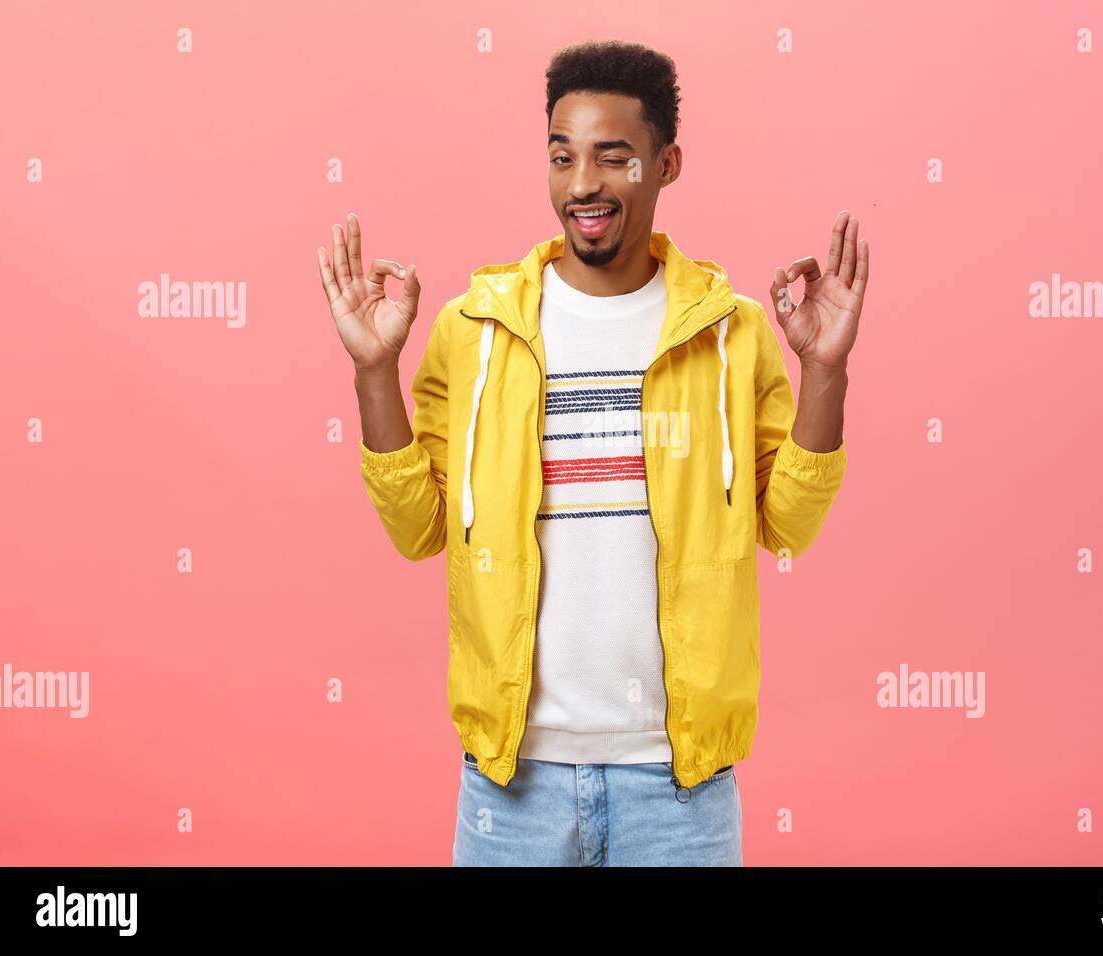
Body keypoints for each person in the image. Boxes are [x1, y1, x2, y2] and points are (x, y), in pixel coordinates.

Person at [316, 39, 869, 866]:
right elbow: (418, 527)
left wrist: (824, 371)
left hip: (679, 790)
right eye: (562, 156)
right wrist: (373, 374)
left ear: (666, 162)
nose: (583, 185)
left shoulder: (730, 331)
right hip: (514, 785)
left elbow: (786, 521)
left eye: (614, 158)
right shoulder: (476, 331)